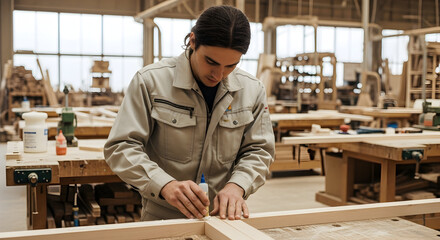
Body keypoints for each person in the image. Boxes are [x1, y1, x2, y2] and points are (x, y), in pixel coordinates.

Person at [104, 5, 275, 221]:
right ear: (193, 41)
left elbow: (259, 150)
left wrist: (237, 185)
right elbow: (121, 147)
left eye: (231, 65)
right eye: (211, 62)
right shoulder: (150, 82)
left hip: (222, 218)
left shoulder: (252, 90)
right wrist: (164, 184)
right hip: (163, 215)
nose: (219, 74)